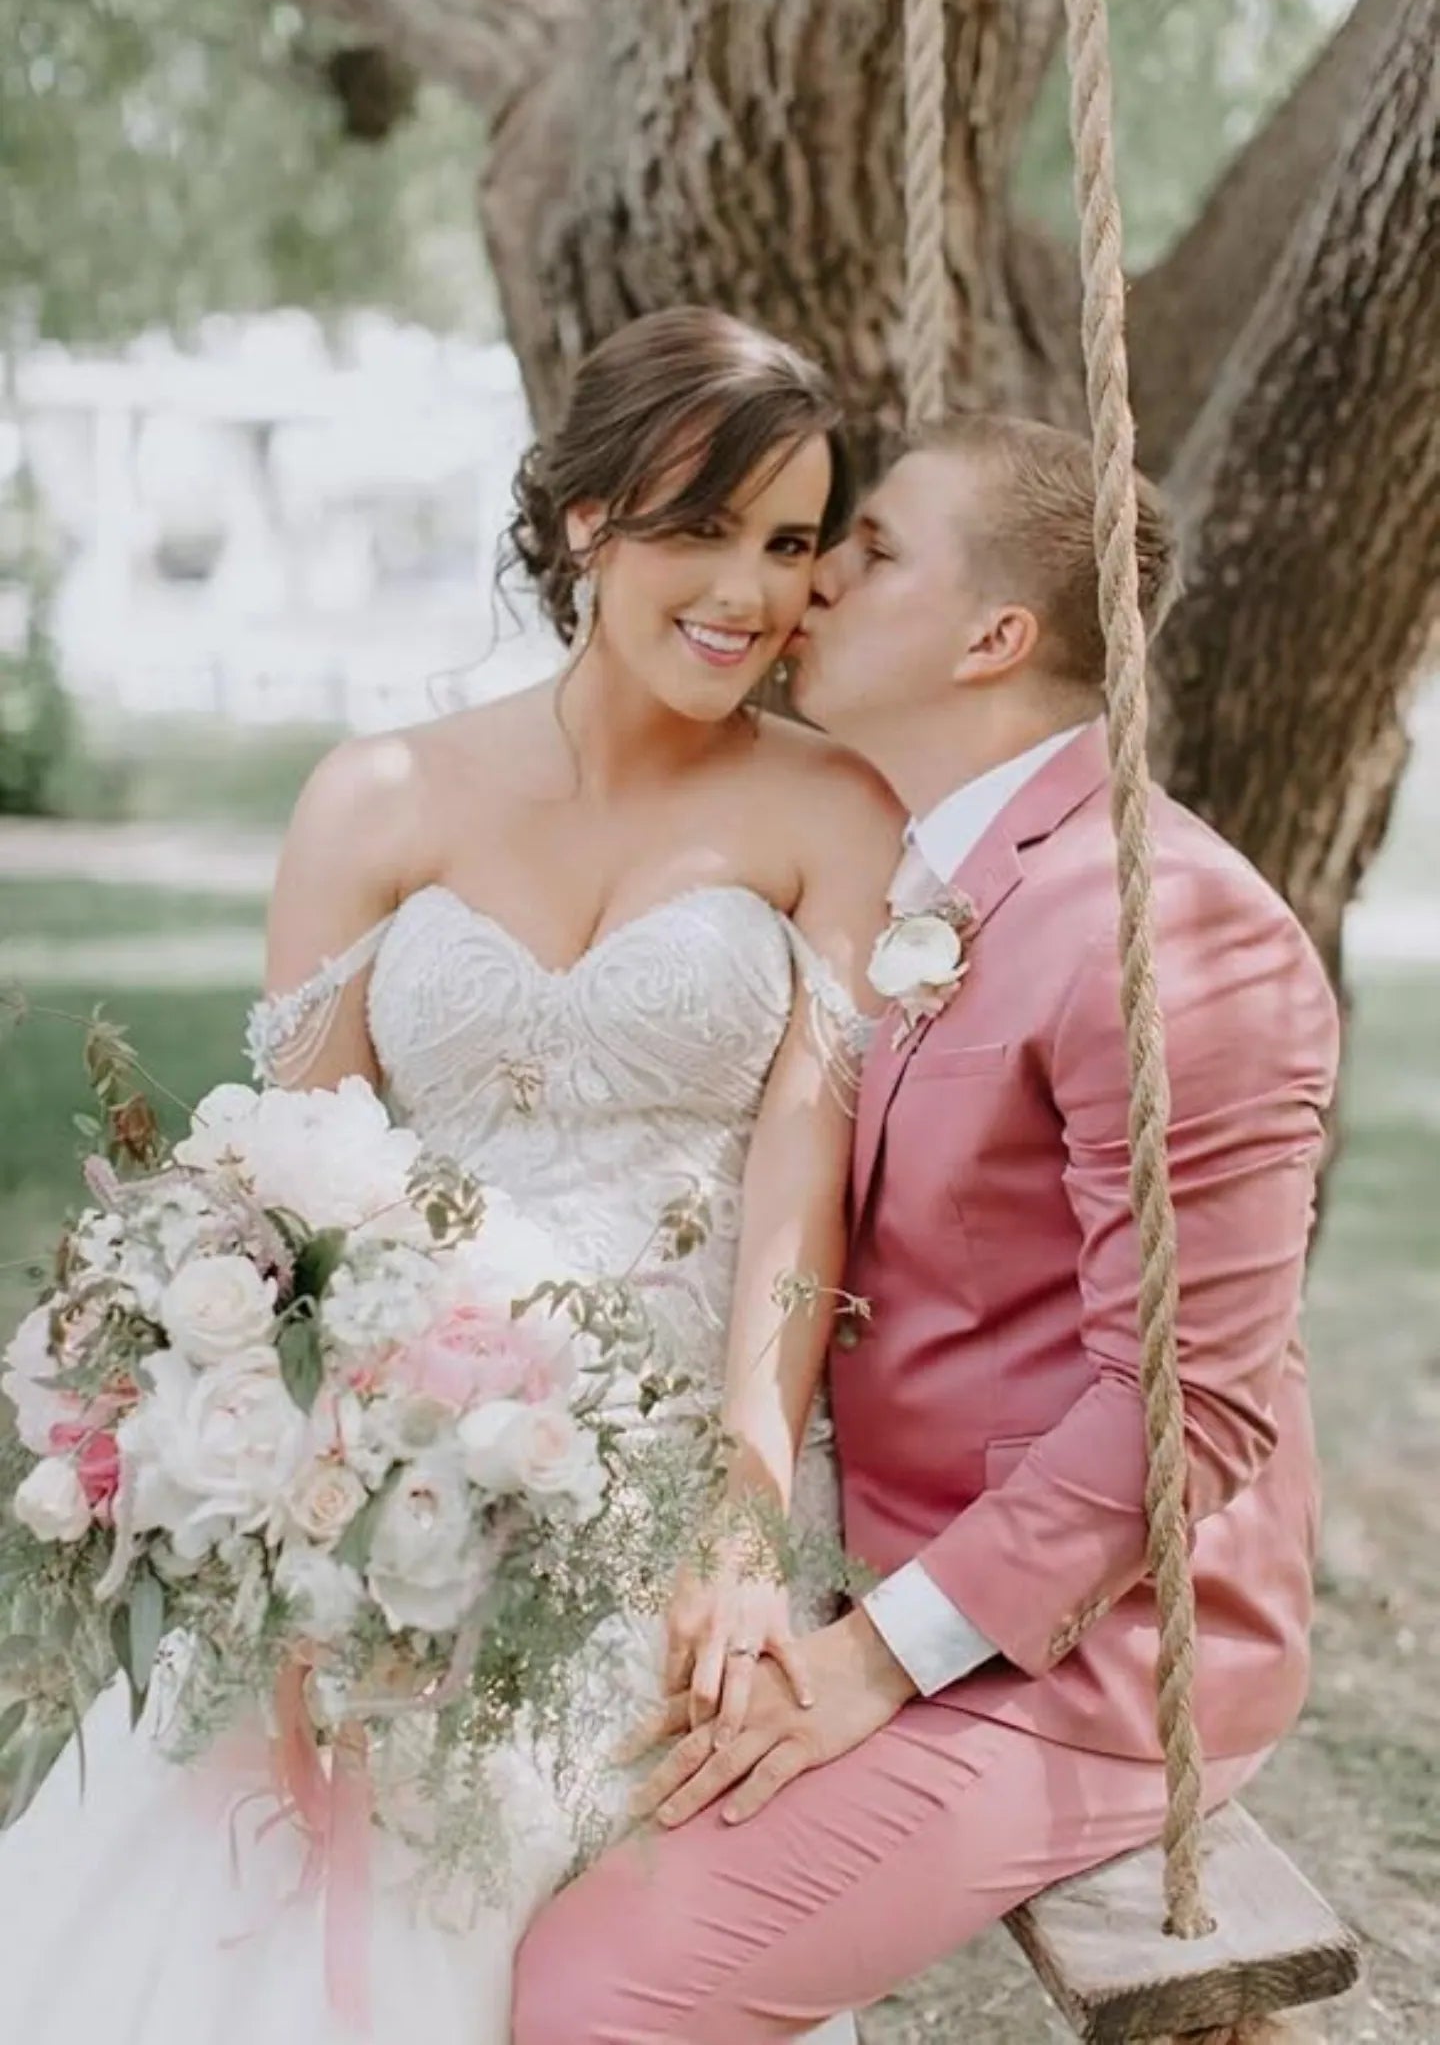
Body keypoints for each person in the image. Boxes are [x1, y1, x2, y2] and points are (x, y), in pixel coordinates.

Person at [0, 308, 900, 2045]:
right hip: (397, 1455)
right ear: (585, 524)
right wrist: (307, 1467)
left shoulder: (834, 814)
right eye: (700, 527)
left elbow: (808, 1179)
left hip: (675, 1469)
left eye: (790, 543)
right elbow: (295, 1197)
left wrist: (742, 1496)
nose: (751, 590)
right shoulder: (377, 798)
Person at [512, 411, 1342, 2043]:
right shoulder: (905, 860)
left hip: (1074, 1668)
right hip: (847, 1550)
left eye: (870, 550)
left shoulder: (1173, 929)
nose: (811, 581)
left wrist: (875, 1658)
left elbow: (1194, 1409)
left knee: (600, 1991)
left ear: (996, 635)